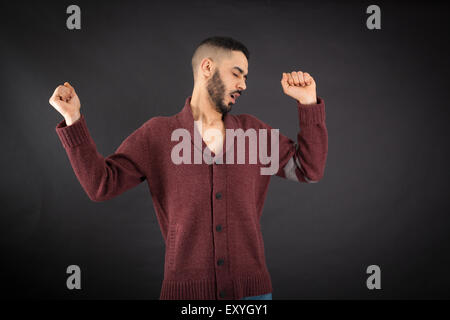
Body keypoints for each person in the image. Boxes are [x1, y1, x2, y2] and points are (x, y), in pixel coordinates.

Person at [49, 36, 328, 300]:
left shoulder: (253, 132)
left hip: (251, 294)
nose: (243, 84)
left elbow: (308, 169)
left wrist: (308, 103)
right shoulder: (157, 134)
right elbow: (101, 185)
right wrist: (73, 119)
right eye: (237, 73)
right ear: (207, 67)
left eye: (245, 76)